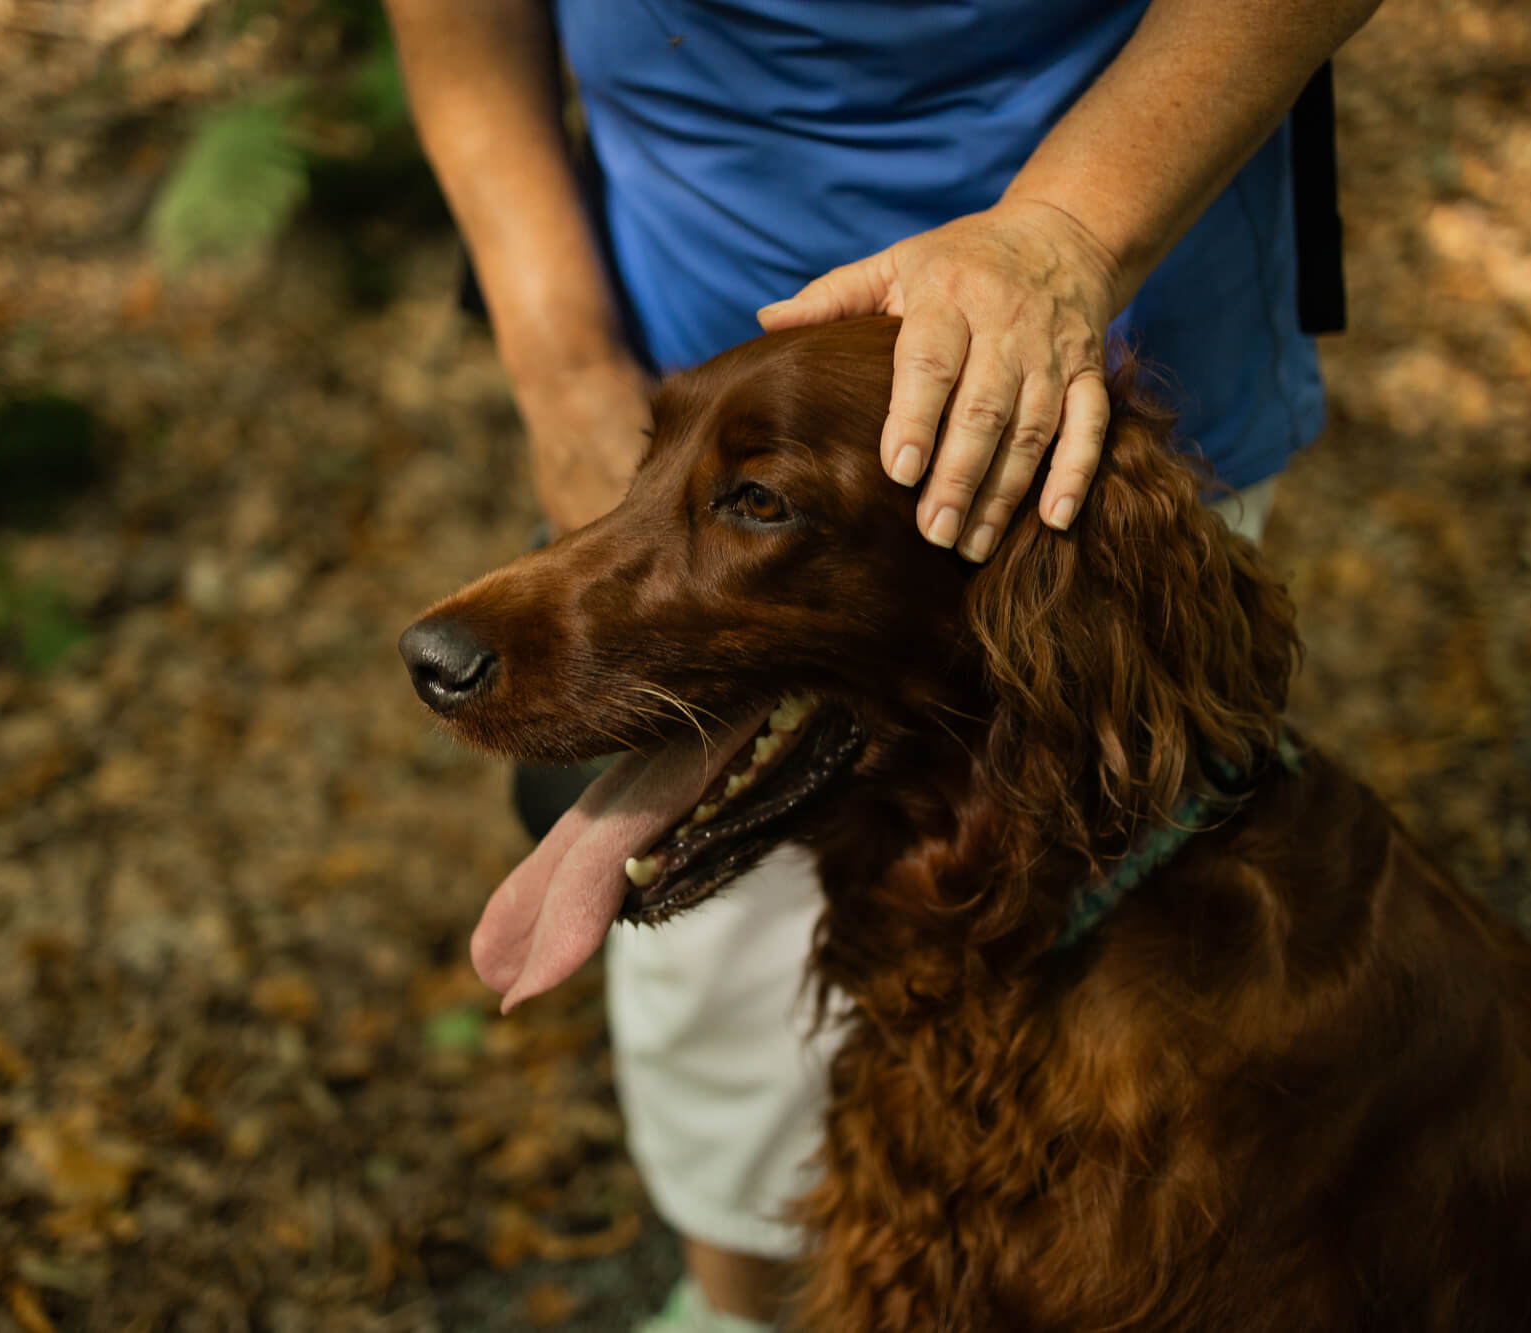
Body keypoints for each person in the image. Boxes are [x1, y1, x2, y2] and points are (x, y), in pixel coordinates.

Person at [382, 3, 1382, 1328]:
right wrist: (566, 361)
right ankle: (735, 1310)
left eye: (741, 502)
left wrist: (1069, 234)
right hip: (691, 289)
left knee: (1140, 957)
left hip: (1111, 337)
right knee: (718, 990)